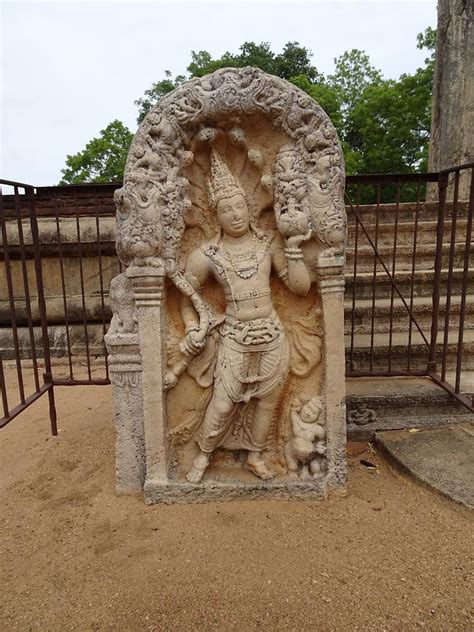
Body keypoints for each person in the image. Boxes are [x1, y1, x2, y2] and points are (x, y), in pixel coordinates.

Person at [180, 149, 311, 484]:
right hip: (235, 336)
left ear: (249, 207)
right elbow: (186, 297)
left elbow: (299, 288)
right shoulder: (206, 254)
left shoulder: (268, 243)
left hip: (271, 333)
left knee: (267, 402)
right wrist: (193, 327)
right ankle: (204, 455)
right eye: (226, 209)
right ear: (215, 214)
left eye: (239, 206)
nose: (235, 214)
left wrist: (293, 245)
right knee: (223, 403)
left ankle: (255, 455)